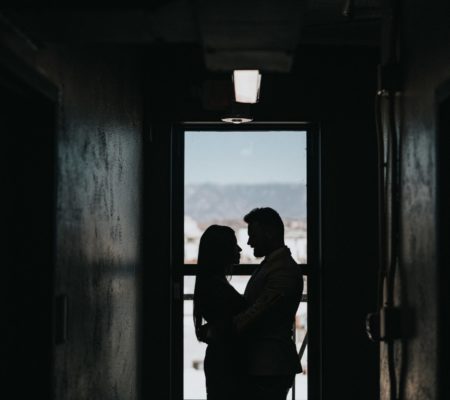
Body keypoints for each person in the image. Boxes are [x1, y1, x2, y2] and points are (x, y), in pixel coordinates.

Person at [233, 207, 304, 400]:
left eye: (253, 235)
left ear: (270, 233)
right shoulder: (276, 265)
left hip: (270, 365)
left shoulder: (283, 270)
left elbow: (260, 310)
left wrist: (224, 329)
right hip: (268, 363)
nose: (249, 241)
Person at [193, 225, 247, 400]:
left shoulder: (212, 283)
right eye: (234, 244)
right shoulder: (217, 287)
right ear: (221, 250)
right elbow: (229, 326)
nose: (239, 249)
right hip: (227, 364)